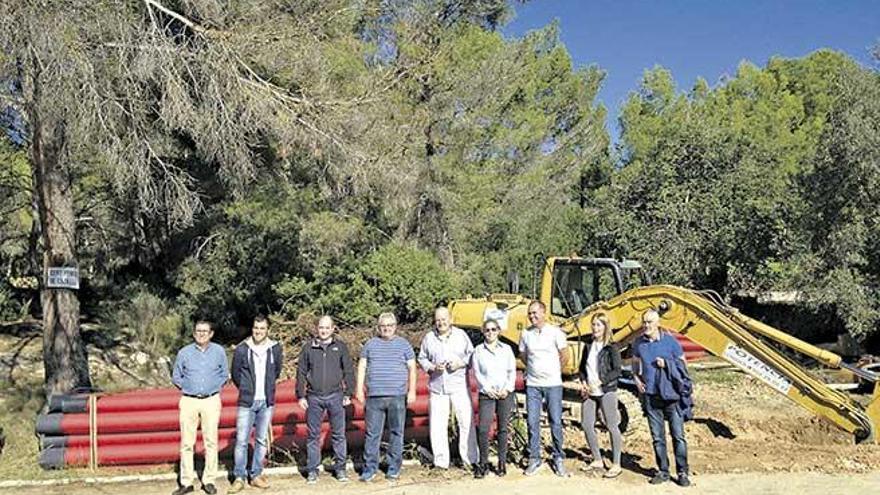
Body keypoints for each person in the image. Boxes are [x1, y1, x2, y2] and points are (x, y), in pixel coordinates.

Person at [355, 312, 417, 482]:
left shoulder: (404, 345)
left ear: (395, 326)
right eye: (384, 326)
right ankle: (369, 469)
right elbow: (362, 366)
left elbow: (412, 368)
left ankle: (393, 468)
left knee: (397, 433)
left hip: (397, 396)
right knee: (372, 434)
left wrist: (412, 391)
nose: (387, 328)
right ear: (378, 327)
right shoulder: (370, 344)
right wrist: (359, 389)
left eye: (390, 325)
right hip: (374, 397)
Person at [632, 309, 691, 487]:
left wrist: (667, 365)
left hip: (671, 396)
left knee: (678, 436)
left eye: (649, 322)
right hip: (651, 395)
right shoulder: (638, 343)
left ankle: (682, 472)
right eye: (644, 322)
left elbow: (683, 366)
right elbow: (635, 362)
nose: (646, 325)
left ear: (658, 323)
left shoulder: (670, 342)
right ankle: (663, 471)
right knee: (657, 437)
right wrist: (636, 379)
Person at [171, 320, 228, 495]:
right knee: (187, 443)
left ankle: (209, 480)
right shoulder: (184, 353)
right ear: (194, 333)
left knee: (211, 441)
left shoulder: (218, 352)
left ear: (211, 334)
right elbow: (176, 376)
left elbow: (224, 374)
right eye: (198, 331)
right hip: (189, 400)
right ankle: (186, 482)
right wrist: (189, 387)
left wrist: (212, 387)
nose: (201, 334)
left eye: (205, 331)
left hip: (211, 400)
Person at [417, 307, 478, 471]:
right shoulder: (429, 338)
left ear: (450, 319)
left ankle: (471, 460)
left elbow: (472, 355)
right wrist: (431, 367)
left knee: (466, 422)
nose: (441, 322)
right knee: (437, 425)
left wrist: (461, 363)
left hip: (459, 386)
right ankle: (441, 463)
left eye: (444, 319)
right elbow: (421, 358)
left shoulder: (461, 336)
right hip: (438, 387)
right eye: (438, 320)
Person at [296, 315, 355, 484]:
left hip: (336, 396)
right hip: (314, 397)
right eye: (321, 327)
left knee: (338, 435)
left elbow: (349, 370)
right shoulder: (308, 348)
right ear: (317, 328)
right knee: (313, 436)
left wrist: (348, 393)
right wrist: (300, 395)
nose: (324, 331)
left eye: (327, 327)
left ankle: (340, 469)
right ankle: (313, 470)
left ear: (333, 328)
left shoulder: (340, 347)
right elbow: (301, 372)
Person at [229, 315, 283, 493]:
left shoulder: (275, 349)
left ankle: (256, 474)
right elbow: (236, 374)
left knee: (260, 440)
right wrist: (245, 389)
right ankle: (239, 477)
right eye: (256, 328)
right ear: (252, 329)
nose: (258, 332)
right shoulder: (242, 350)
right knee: (242, 441)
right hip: (246, 401)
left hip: (266, 401)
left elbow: (276, 372)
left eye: (262, 328)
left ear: (267, 330)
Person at [519, 300, 569, 477]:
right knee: (532, 422)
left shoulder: (555, 332)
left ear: (544, 313)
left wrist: (554, 371)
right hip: (533, 385)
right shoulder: (526, 334)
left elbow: (565, 356)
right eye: (530, 313)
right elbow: (524, 355)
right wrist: (534, 369)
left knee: (555, 420)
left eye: (535, 313)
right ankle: (534, 457)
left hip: (553, 385)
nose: (532, 316)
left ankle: (558, 457)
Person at [578, 312, 623, 478]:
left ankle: (616, 463)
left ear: (605, 327)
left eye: (598, 325)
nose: (595, 328)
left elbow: (617, 370)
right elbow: (582, 368)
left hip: (606, 391)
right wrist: (583, 381)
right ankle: (597, 459)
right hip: (590, 392)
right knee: (586, 423)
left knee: (611, 425)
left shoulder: (611, 347)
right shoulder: (588, 345)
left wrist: (601, 382)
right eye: (593, 324)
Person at [471, 318, 516, 479]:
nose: (490, 333)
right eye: (487, 330)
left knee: (503, 428)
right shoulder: (478, 351)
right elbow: (477, 373)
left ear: (498, 331)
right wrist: (488, 389)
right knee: (484, 429)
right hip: (487, 394)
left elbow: (512, 371)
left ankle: (502, 462)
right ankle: (483, 463)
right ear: (483, 332)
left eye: (493, 329)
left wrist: (507, 389)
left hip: (504, 393)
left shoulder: (507, 349)